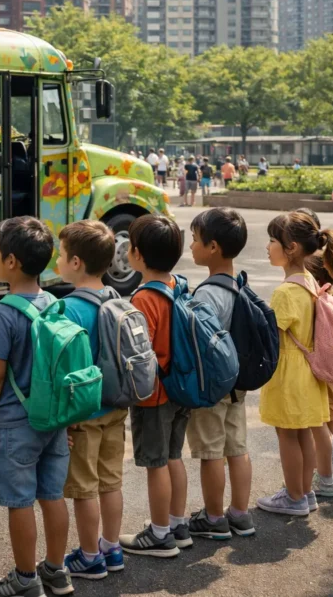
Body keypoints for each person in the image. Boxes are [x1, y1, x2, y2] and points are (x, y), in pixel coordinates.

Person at [0, 217, 73, 597]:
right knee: (52, 496)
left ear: (11, 262)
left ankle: (25, 579)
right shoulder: (54, 303)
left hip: (15, 425)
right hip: (54, 421)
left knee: (19, 503)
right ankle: (57, 572)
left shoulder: (2, 312)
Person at [56, 221, 128, 582]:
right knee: (110, 481)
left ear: (76, 262)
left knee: (84, 488)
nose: (57, 260)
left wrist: (62, 421)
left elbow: (62, 369)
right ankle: (111, 548)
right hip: (116, 406)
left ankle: (88, 557)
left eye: (61, 254)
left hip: (83, 413)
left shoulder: (67, 309)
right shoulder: (117, 298)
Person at [256, 212, 333, 516]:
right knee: (303, 431)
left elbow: (271, 336)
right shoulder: (309, 280)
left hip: (288, 372)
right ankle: (304, 492)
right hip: (308, 370)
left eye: (272, 241)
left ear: (291, 248)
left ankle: (293, 497)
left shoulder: (285, 292)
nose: (267, 247)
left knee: (287, 435)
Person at [119, 215, 191, 557]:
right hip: (180, 387)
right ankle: (177, 524)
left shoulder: (144, 299)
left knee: (156, 463)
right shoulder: (178, 285)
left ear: (137, 254)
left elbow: (139, 353)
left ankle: (160, 534)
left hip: (154, 395)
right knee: (174, 456)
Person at [185, 208, 256, 540]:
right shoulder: (240, 284)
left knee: (211, 452)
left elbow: (198, 345)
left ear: (212, 247)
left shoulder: (206, 293)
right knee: (237, 447)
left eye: (195, 239)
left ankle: (213, 518)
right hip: (237, 384)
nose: (191, 246)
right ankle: (240, 514)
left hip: (213, 386)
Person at [297, 208, 333, 496]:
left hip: (319, 366)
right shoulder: (330, 279)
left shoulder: (314, 294)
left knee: (320, 422)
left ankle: (327, 474)